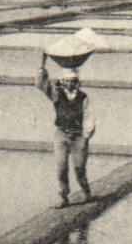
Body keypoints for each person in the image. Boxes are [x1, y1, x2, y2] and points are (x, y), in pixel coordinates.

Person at [37, 46, 95, 208]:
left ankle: (87, 192)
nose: (70, 83)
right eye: (67, 81)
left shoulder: (83, 97)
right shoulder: (57, 94)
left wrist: (86, 136)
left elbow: (89, 117)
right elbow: (41, 84)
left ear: (77, 82)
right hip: (61, 135)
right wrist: (42, 64)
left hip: (78, 136)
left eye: (73, 81)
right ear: (62, 81)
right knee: (61, 167)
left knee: (79, 168)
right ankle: (63, 197)